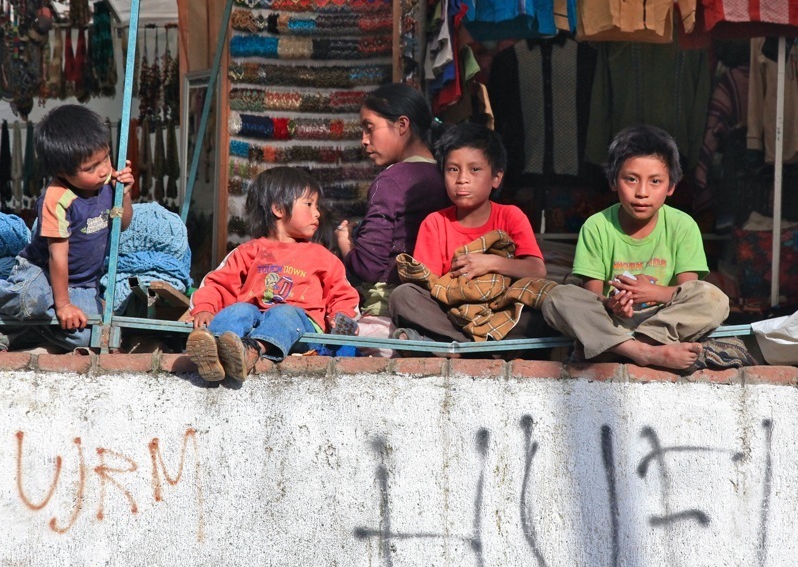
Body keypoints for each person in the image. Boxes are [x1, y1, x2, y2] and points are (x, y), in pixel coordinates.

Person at [541, 124, 750, 371]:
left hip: (666, 322)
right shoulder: (596, 226)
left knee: (714, 298)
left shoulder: (682, 225)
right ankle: (643, 352)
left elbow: (688, 290)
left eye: (655, 182)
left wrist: (650, 292)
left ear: (671, 187)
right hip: (612, 321)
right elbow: (591, 295)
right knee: (556, 298)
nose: (642, 193)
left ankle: (625, 347)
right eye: (631, 179)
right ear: (613, 181)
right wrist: (611, 303)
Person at [0, 105, 134, 352]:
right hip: (42, 273)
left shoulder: (110, 182)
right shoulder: (57, 199)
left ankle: (26, 339)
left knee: (91, 337)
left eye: (106, 158)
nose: (103, 170)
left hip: (83, 284)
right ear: (62, 172)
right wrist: (63, 305)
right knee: (29, 299)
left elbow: (123, 224)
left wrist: (125, 194)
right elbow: (57, 257)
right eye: (91, 168)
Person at [186, 167, 360, 382]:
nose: (317, 213)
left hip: (302, 330)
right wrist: (204, 308)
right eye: (309, 204)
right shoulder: (248, 251)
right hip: (255, 323)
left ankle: (252, 351)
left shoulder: (322, 256)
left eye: (317, 206)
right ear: (278, 208)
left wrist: (340, 318)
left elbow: (342, 294)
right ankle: (213, 351)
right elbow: (218, 284)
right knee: (241, 309)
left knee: (284, 313)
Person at [389, 122, 551, 342]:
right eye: (453, 169)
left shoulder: (511, 216)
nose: (462, 179)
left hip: (501, 313)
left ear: (497, 177)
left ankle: (450, 347)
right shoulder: (435, 223)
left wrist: (490, 263)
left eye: (475, 169)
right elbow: (426, 286)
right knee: (404, 296)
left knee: (546, 305)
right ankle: (477, 348)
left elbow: (537, 270)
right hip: (452, 315)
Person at [336, 84, 449, 324]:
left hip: (388, 311)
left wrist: (345, 242)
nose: (363, 141)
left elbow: (368, 267)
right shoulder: (448, 176)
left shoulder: (391, 181)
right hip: (439, 308)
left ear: (402, 125)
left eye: (369, 128)